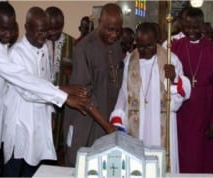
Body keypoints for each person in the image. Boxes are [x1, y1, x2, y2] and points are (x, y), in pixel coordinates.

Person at [0, 2, 88, 176]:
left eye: (11, 28)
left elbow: (45, 79)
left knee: (3, 169)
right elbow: (24, 82)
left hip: (0, 114)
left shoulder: (41, 48)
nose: (8, 34)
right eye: (3, 29)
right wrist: (63, 95)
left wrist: (50, 112)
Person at [109, 22, 191, 173]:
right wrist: (119, 114)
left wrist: (174, 79)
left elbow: (182, 94)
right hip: (137, 123)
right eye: (140, 46)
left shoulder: (170, 60)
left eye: (149, 46)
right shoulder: (130, 60)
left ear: (157, 41)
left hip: (161, 121)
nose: (144, 50)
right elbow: (124, 90)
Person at [63, 3, 124, 167]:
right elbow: (84, 94)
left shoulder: (116, 45)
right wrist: (106, 126)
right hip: (86, 118)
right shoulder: (84, 48)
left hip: (107, 117)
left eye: (118, 30)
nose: (114, 34)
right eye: (110, 29)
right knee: (82, 163)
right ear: (100, 23)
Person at [171, 8, 213, 174]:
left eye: (195, 27)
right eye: (187, 27)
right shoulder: (175, 47)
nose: (191, 31)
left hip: (205, 112)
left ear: (202, 25)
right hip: (181, 111)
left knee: (203, 157)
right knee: (182, 155)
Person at [45, 6, 76, 155]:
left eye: (57, 29)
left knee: (60, 146)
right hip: (41, 103)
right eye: (50, 29)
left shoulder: (73, 44)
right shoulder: (37, 42)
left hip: (64, 105)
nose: (53, 33)